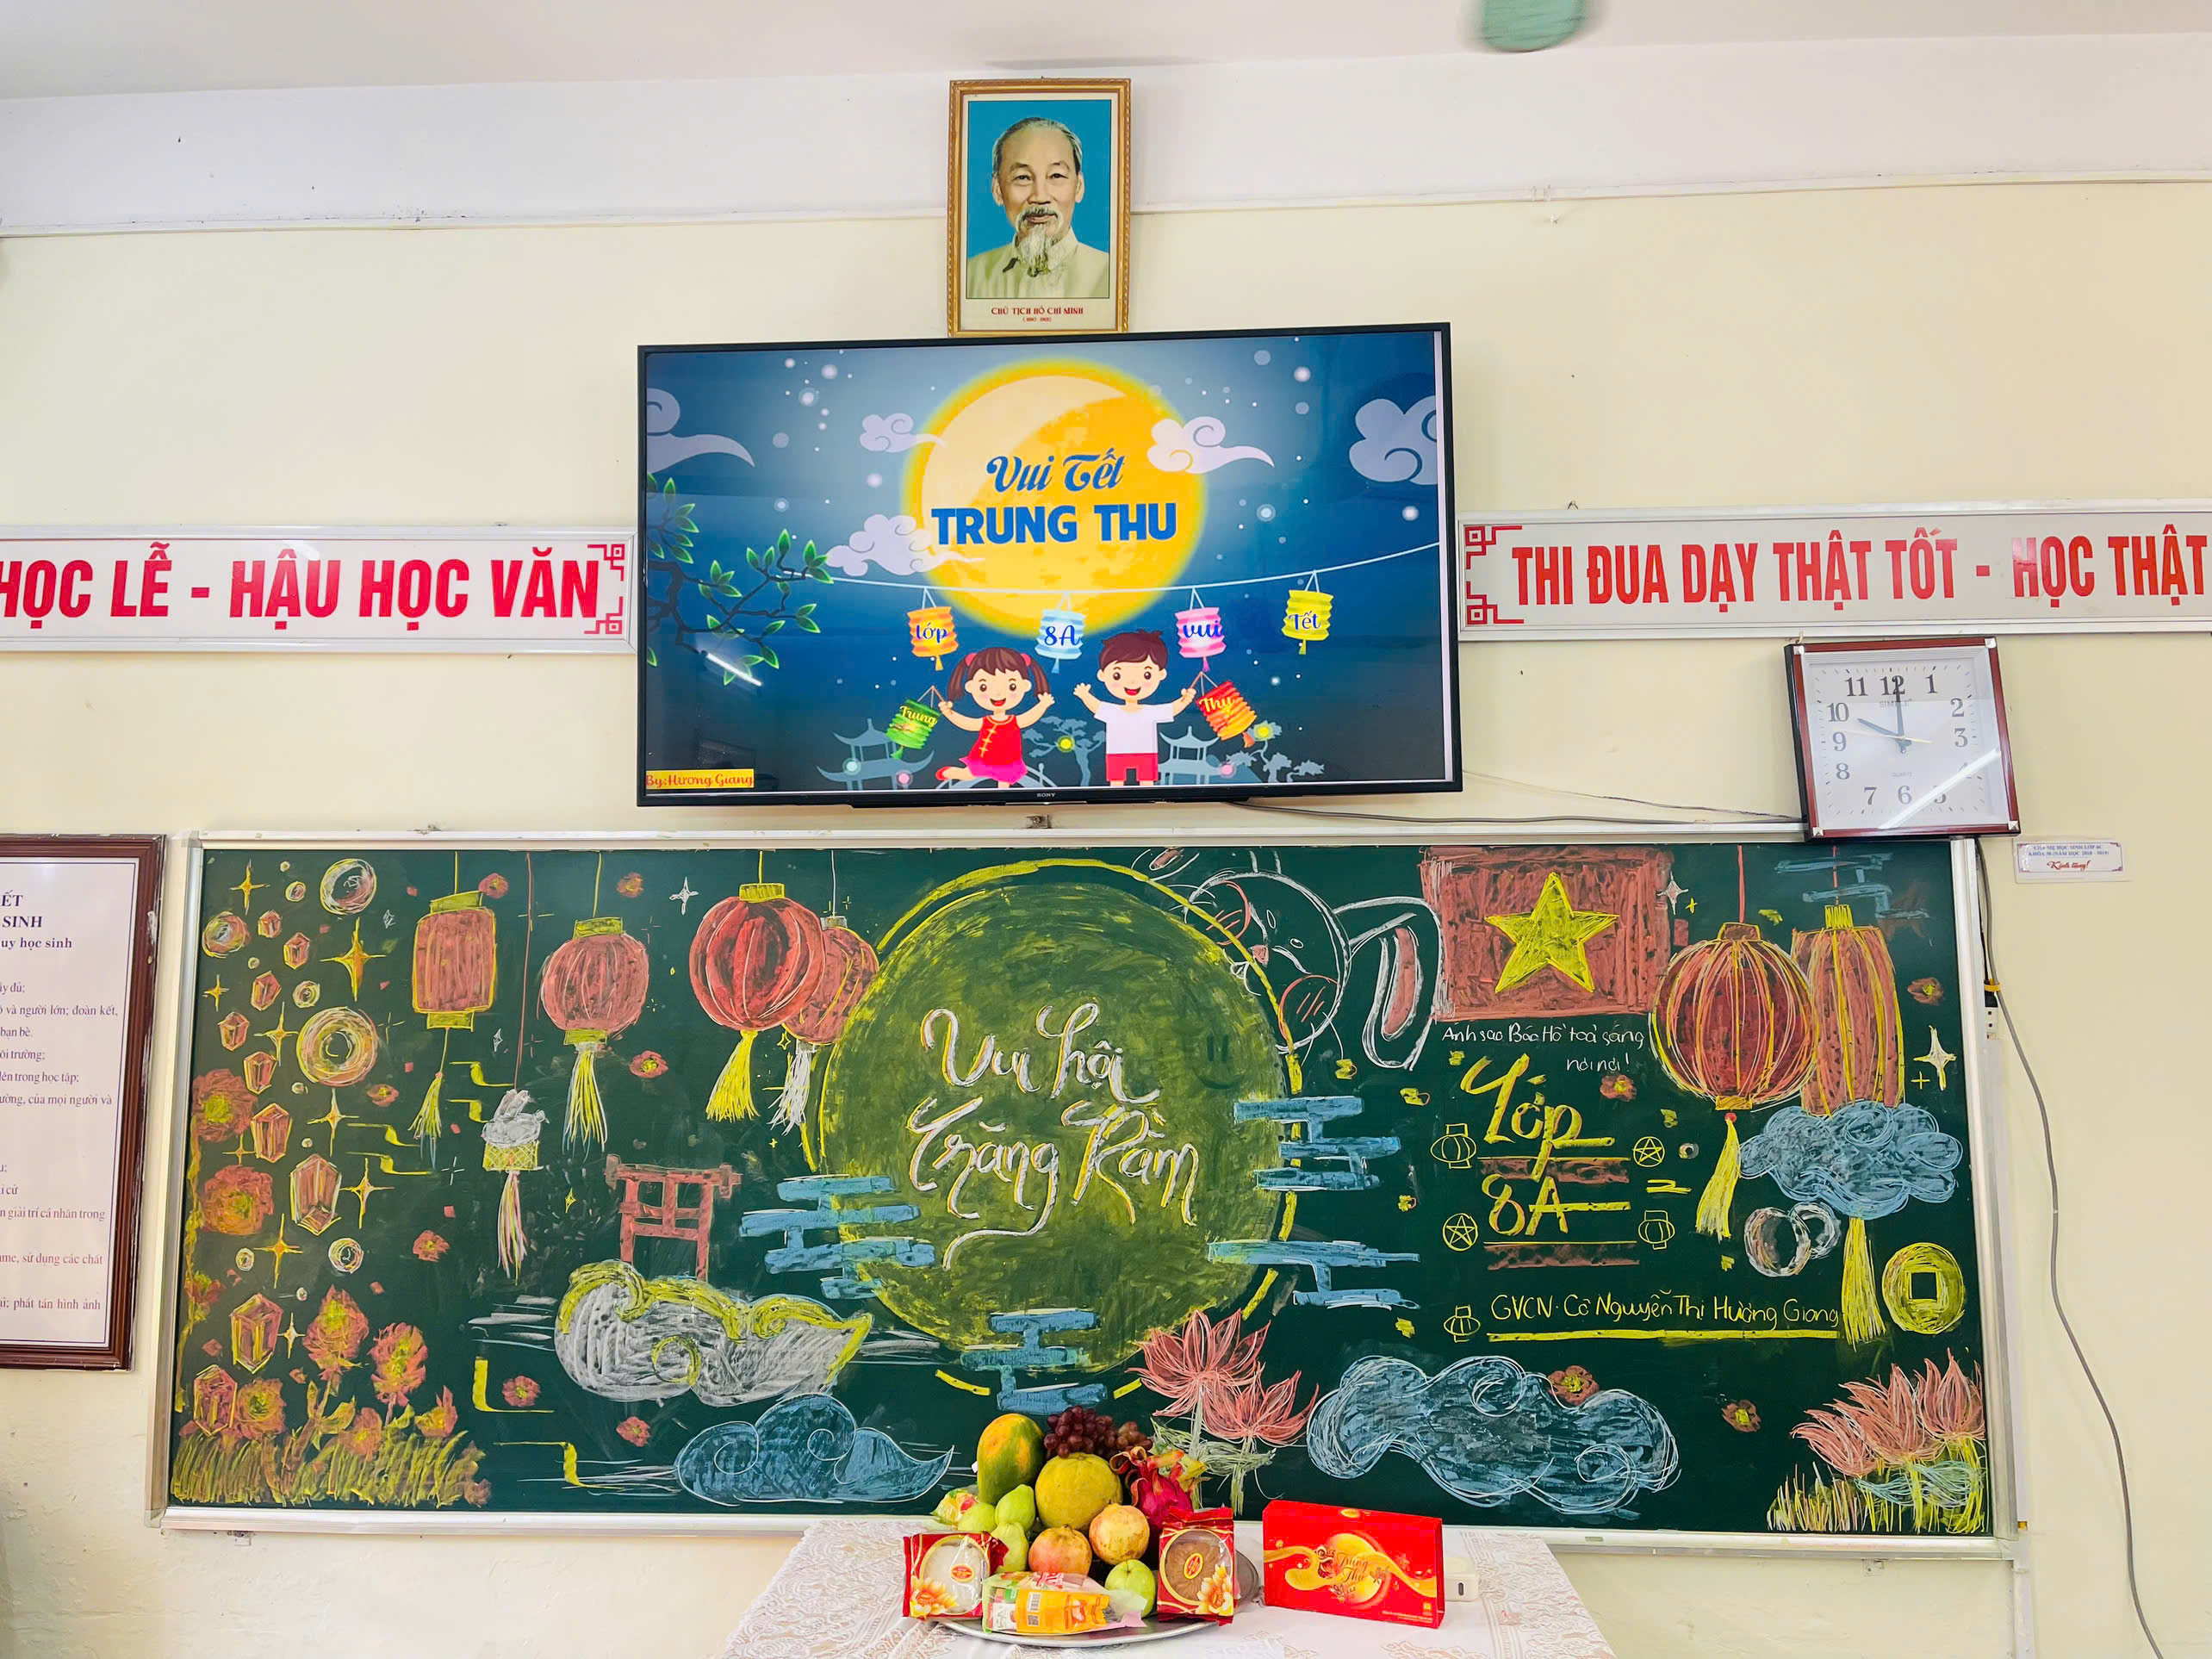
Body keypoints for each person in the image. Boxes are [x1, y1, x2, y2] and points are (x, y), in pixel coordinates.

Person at [964, 115, 1111, 301]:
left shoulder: (1109, 274)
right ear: (997, 190)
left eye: (1056, 176)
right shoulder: (970, 277)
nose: (1040, 197)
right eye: (1023, 177)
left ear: (1079, 187)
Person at [1074, 630, 1195, 786]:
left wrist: (1185, 700)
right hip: (1117, 753)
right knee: (1116, 784)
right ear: (1103, 675)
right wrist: (1085, 696)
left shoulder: (1150, 712)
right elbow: (1097, 707)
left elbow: (1171, 709)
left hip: (1146, 753)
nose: (1132, 682)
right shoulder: (1113, 711)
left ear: (1161, 674)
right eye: (1117, 675)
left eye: (1146, 675)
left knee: (1147, 783)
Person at [937, 646, 1054, 786]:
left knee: (1004, 782)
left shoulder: (1013, 721)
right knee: (967, 775)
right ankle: (948, 773)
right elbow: (967, 723)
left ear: (1025, 685)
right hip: (983, 758)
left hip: (1007, 761)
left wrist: (1043, 705)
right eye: (983, 687)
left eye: (1012, 686)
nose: (998, 694)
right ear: (970, 687)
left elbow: (1030, 717)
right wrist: (949, 713)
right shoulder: (986, 721)